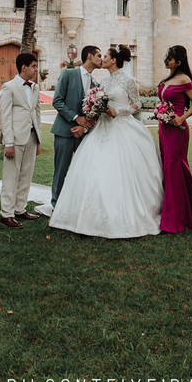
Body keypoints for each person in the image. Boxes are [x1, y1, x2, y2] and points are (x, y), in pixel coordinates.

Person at [50, 45, 163, 238]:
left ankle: (120, 211)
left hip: (122, 128)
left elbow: (137, 105)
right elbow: (94, 107)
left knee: (118, 170)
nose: (102, 59)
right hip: (100, 129)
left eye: (105, 56)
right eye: (99, 55)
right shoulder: (101, 82)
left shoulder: (128, 81)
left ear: (113, 60)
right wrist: (85, 122)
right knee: (92, 169)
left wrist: (118, 111)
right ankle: (76, 210)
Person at [49, 45, 103, 210]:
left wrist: (84, 127)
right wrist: (75, 118)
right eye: (99, 56)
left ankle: (77, 206)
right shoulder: (68, 73)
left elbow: (94, 112)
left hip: (84, 135)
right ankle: (56, 206)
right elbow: (57, 101)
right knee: (61, 171)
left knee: (82, 172)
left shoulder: (96, 84)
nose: (101, 59)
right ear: (89, 56)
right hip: (64, 131)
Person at [157, 45, 192, 233]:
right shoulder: (167, 78)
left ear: (179, 61)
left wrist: (182, 117)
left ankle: (178, 217)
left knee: (174, 166)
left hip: (177, 128)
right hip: (164, 128)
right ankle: (175, 210)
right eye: (167, 56)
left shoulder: (184, 79)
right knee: (167, 166)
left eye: (170, 57)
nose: (166, 60)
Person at [0, 52, 44, 228]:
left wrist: (38, 140)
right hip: (15, 138)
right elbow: (5, 116)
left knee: (26, 174)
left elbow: (37, 113)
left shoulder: (35, 87)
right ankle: (6, 213)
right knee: (11, 175)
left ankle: (19, 208)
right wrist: (8, 143)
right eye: (33, 66)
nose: (36, 69)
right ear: (23, 67)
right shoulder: (9, 87)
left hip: (31, 136)